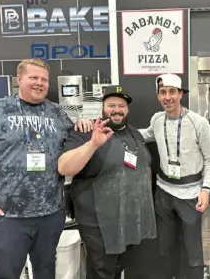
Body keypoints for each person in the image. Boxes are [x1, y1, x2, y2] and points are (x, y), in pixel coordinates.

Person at [0, 58, 92, 279]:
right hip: (7, 215)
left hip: (50, 214)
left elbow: (73, 146)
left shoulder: (57, 113)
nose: (39, 83)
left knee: (46, 272)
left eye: (44, 79)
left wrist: (82, 123)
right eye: (33, 77)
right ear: (19, 79)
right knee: (5, 274)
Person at [58, 85, 157, 279]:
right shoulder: (85, 132)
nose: (117, 109)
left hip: (127, 218)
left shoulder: (135, 134)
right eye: (111, 105)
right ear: (102, 107)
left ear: (127, 109)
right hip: (98, 221)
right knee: (101, 271)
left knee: (117, 268)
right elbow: (64, 168)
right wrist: (92, 144)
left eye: (121, 105)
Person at [140, 73, 210, 279]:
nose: (167, 97)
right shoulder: (157, 119)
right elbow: (146, 134)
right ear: (158, 96)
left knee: (192, 249)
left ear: (180, 94)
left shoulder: (198, 123)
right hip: (164, 193)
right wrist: (116, 130)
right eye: (163, 92)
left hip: (191, 194)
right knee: (165, 247)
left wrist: (206, 189)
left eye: (172, 92)